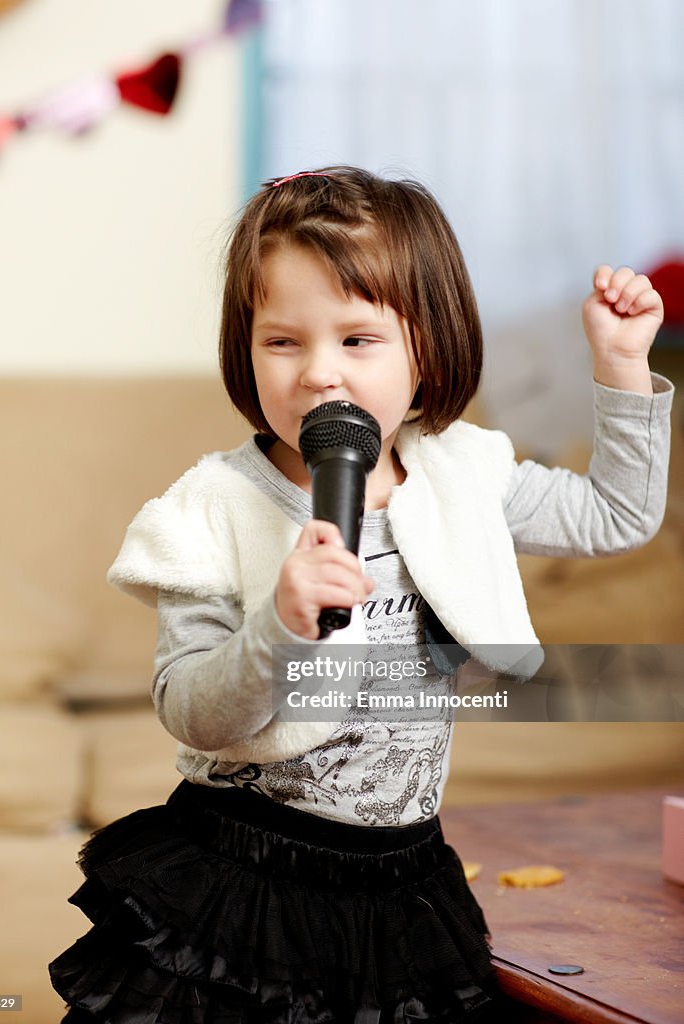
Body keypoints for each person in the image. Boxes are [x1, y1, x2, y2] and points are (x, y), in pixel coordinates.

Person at [49, 166, 673, 1023]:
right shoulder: (210, 509)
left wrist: (620, 365)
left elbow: (614, 517)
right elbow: (188, 708)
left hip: (402, 876)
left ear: (428, 346)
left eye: (357, 339)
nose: (318, 375)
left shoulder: (461, 470)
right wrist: (278, 625)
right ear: (245, 347)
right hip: (248, 873)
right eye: (281, 341)